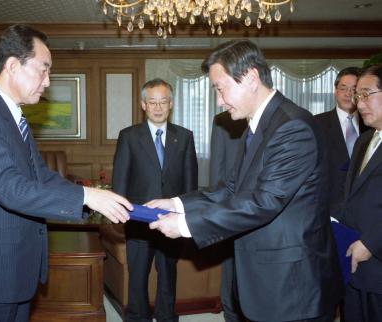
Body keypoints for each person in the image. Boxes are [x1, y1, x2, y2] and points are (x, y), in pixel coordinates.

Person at [0, 24, 131, 322]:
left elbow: (39, 175)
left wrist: (95, 196)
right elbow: (10, 187)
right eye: (43, 70)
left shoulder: (12, 116)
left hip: (14, 267)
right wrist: (86, 195)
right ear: (13, 65)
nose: (47, 81)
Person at [148, 39, 343, 322]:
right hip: (266, 280)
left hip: (293, 290)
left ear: (250, 78)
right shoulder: (257, 125)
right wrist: (177, 203)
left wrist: (185, 225)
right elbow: (231, 187)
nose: (219, 100)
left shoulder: (292, 127)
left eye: (220, 88)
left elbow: (264, 201)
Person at [112, 78, 198, 322]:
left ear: (171, 104)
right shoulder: (129, 136)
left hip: (171, 222)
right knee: (137, 278)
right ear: (143, 104)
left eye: (163, 102)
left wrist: (187, 218)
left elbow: (190, 185)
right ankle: (137, 317)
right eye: (152, 102)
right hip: (138, 222)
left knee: (168, 275)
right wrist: (119, 214)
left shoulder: (184, 137)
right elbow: (120, 182)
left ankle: (166, 317)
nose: (158, 107)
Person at [337, 64, 382, 322]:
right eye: (357, 96)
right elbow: (350, 197)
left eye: (366, 94)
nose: (359, 103)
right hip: (353, 264)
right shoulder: (365, 140)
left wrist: (371, 244)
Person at [314, 67, 368, 218]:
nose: (348, 94)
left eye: (354, 89)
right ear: (335, 91)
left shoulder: (372, 125)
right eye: (343, 88)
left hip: (366, 211)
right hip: (327, 211)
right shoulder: (317, 124)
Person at [209, 111, 246, 322]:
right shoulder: (223, 119)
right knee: (230, 262)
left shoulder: (277, 117)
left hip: (265, 206)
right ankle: (231, 313)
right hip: (231, 204)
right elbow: (217, 166)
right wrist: (217, 207)